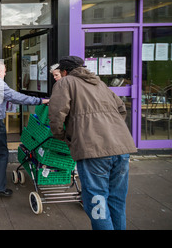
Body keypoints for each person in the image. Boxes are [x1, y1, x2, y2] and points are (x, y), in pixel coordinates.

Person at [48, 55, 137, 230]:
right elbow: (121, 109)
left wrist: (63, 136)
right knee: (117, 200)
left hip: (93, 150)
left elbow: (56, 115)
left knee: (97, 202)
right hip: (121, 147)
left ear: (65, 71)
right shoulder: (100, 84)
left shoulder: (65, 83)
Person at [0, 60, 49, 197]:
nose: (5, 74)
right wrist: (40, 100)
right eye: (4, 71)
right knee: (2, 154)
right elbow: (18, 98)